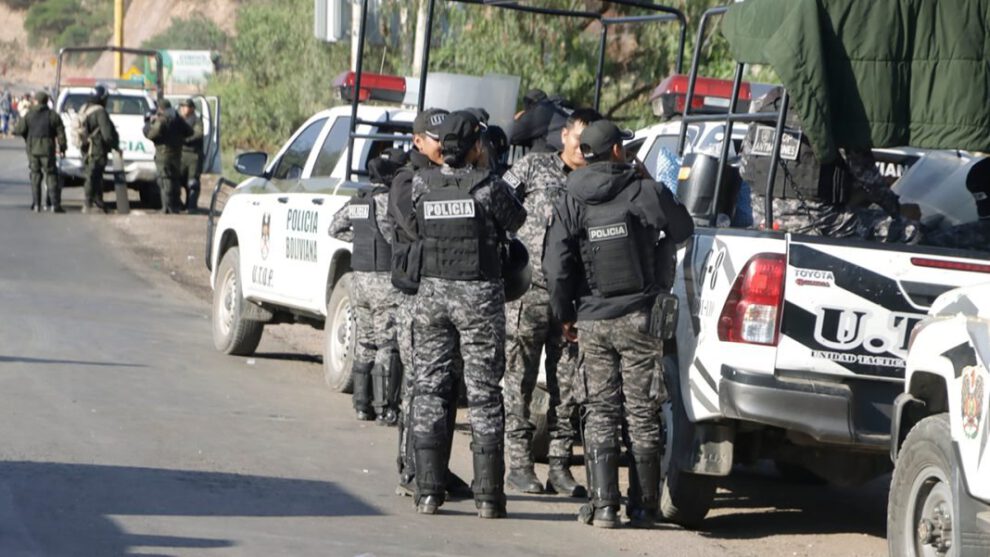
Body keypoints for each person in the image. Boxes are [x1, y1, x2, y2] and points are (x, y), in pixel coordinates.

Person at [544, 119, 694, 528]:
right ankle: (643, 507)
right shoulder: (643, 189)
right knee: (643, 412)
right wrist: (648, 181)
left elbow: (556, 265)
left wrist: (565, 315)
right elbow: (683, 229)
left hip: (592, 320)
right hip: (639, 317)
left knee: (600, 411)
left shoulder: (571, 197)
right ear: (615, 151)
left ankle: (604, 505)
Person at [408, 110, 527, 518]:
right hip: (478, 296)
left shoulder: (422, 184)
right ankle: (489, 498)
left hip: (433, 295)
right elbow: (518, 219)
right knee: (484, 393)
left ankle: (427, 492)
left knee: (430, 389)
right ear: (476, 146)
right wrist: (485, 166)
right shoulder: (488, 186)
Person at [499, 108, 603, 497]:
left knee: (568, 387)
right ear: (564, 136)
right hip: (527, 295)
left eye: (592, 142)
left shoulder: (597, 180)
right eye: (580, 139)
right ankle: (519, 465)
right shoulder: (533, 168)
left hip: (573, 299)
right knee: (518, 382)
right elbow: (495, 204)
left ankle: (560, 467)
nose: (584, 148)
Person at [388, 109, 474, 501]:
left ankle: (435, 467)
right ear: (419, 140)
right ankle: (412, 468)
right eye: (435, 138)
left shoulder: (447, 180)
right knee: (422, 387)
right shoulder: (409, 181)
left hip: (444, 297)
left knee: (445, 385)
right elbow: (417, 228)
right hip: (417, 296)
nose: (443, 145)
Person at [743, 88, 919, 240]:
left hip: (763, 219)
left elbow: (745, 169)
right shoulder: (837, 111)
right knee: (912, 232)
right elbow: (867, 178)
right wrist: (896, 209)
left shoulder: (764, 103)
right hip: (819, 223)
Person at [329, 149, 408, 424]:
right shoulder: (389, 200)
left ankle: (362, 406)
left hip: (359, 278)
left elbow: (333, 228)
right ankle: (385, 406)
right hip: (384, 280)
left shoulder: (357, 200)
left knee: (364, 341)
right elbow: (394, 237)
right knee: (388, 343)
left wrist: (359, 239)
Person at [13, 91, 66, 212]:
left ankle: (37, 204)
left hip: (33, 150)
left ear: (36, 101)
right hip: (48, 150)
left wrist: (27, 135)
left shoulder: (29, 115)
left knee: (35, 176)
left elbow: (18, 130)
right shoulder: (53, 115)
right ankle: (55, 205)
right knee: (51, 175)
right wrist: (63, 147)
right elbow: (61, 133)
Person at [143, 99, 192, 213]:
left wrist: (148, 124)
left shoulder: (162, 120)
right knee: (175, 180)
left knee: (164, 180)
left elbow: (151, 134)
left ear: (160, 108)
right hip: (177, 154)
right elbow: (189, 131)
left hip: (163, 155)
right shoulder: (178, 119)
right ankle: (175, 206)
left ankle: (166, 207)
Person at [81, 85, 120, 213]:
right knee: (94, 175)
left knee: (93, 174)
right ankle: (89, 203)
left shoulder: (84, 108)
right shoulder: (100, 112)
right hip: (97, 148)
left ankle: (98, 202)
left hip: (86, 148)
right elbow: (107, 134)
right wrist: (115, 146)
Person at [511, 89, 573, 153]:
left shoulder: (545, 109)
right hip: (574, 152)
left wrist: (517, 119)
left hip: (563, 154)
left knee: (539, 141)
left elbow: (511, 133)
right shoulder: (564, 109)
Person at [178, 99, 204, 213]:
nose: (183, 109)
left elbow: (198, 134)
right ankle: (179, 205)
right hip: (180, 154)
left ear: (192, 108)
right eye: (182, 106)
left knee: (192, 182)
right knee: (177, 181)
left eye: (186, 106)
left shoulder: (196, 121)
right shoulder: (179, 120)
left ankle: (191, 206)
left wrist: (185, 140)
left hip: (193, 155)